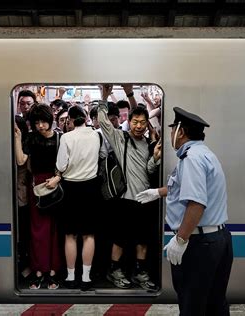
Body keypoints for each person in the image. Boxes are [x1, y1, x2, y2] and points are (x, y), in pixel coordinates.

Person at [136, 107, 233, 315]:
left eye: (171, 129)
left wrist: (181, 239)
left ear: (180, 132)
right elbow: (180, 186)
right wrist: (158, 192)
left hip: (199, 244)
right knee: (215, 303)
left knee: (192, 305)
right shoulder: (203, 153)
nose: (169, 134)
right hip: (218, 238)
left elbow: (196, 203)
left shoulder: (191, 159)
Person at [98, 84, 161, 291]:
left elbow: (149, 170)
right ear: (129, 122)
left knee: (142, 240)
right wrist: (105, 96)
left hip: (144, 199)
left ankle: (140, 272)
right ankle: (115, 270)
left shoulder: (147, 143)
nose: (139, 126)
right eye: (135, 121)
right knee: (120, 239)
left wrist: (156, 159)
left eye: (143, 122)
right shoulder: (120, 138)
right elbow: (102, 122)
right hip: (125, 199)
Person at [54, 105, 104, 291]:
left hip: (70, 189)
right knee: (89, 235)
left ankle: (70, 276)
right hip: (91, 188)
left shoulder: (66, 137)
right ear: (86, 118)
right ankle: (86, 278)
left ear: (71, 120)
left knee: (70, 235)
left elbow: (61, 164)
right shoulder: (97, 135)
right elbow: (102, 155)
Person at [14, 103, 62, 290]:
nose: (41, 126)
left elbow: (66, 165)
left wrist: (57, 178)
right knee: (37, 231)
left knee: (54, 230)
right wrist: (18, 138)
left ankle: (53, 271)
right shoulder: (32, 138)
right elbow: (20, 160)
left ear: (51, 120)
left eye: (44, 122)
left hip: (55, 185)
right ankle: (39, 271)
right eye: (37, 122)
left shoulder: (60, 138)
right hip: (37, 186)